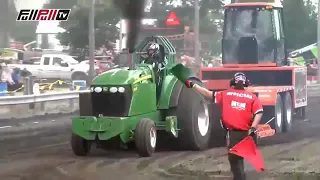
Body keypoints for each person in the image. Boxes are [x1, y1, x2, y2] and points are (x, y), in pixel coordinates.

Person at [184, 72, 263, 180]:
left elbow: (207, 94)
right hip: (249, 134)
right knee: (239, 159)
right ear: (246, 84)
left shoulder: (226, 94)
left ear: (232, 83)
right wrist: (253, 127)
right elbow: (259, 112)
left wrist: (193, 84)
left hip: (234, 133)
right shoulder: (252, 97)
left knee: (234, 160)